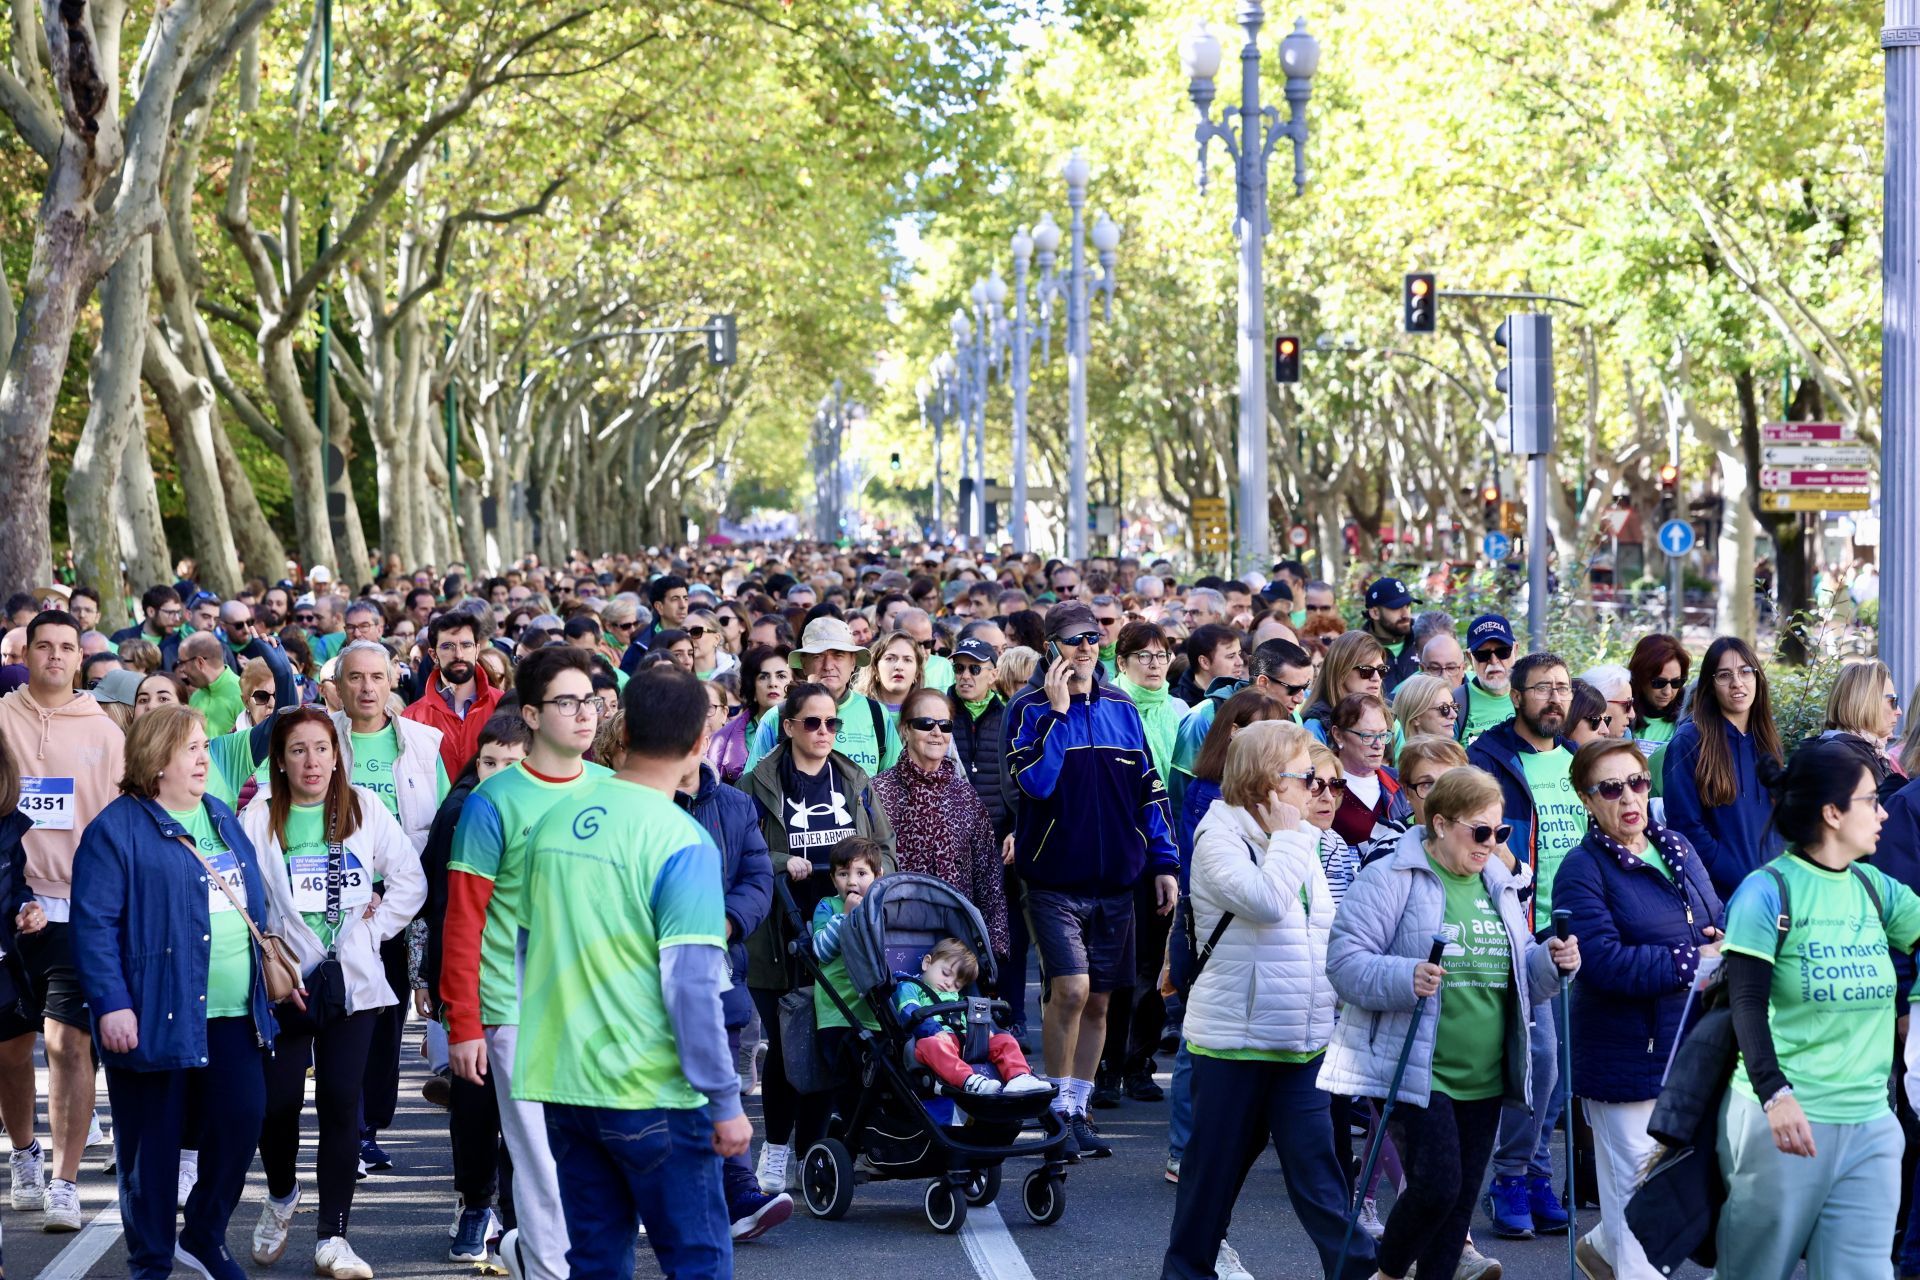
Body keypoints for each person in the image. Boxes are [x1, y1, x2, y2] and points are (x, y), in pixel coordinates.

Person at [503, 663, 746, 1275]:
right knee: (698, 1261)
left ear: (624, 727)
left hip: (562, 1078)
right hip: (650, 1089)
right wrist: (724, 1098)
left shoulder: (556, 820)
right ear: (699, 744)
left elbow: (528, 945)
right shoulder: (682, 840)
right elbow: (691, 987)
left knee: (594, 1261)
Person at [1319, 766, 1579, 1280]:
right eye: (1479, 831)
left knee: (1458, 1202)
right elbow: (1343, 963)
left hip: (1483, 1073)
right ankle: (1388, 1272)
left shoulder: (1497, 884)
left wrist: (1552, 962)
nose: (1490, 843)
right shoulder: (1392, 876)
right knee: (1437, 1186)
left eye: (1500, 833)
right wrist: (1405, 974)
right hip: (1416, 1067)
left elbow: (1524, 972)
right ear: (1439, 824)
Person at [70, 706, 275, 1280]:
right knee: (150, 1152)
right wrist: (112, 1003)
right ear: (156, 761)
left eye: (205, 747)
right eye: (191, 749)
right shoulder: (116, 829)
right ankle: (152, 1262)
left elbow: (250, 903)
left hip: (235, 1012)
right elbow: (93, 925)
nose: (205, 758)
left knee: (243, 1120)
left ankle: (205, 1234)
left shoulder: (220, 816)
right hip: (154, 1012)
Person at [1164, 720, 1374, 1280]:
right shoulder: (1219, 836)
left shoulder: (1295, 838)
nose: (1318, 790)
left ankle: (1357, 1270)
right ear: (1267, 781)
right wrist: (1291, 837)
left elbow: (1323, 931)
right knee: (1211, 1178)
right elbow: (1266, 902)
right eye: (1306, 777)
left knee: (1321, 1176)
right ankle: (1186, 1273)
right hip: (1233, 1043)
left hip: (1300, 1042)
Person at [1723, 739, 1920, 1277]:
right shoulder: (1766, 892)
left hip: (1871, 1126)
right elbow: (1745, 1004)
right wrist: (1775, 1095)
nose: (1883, 812)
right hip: (1783, 1125)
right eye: (1871, 801)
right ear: (1832, 813)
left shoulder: (1874, 888)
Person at [443, 647, 610, 1280]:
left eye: (590, 699)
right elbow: (465, 920)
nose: (583, 714)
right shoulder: (493, 802)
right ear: (533, 715)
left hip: (600, 1007)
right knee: (539, 1159)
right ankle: (545, 1267)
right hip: (516, 1007)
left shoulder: (613, 790)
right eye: (566, 702)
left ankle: (528, 1252)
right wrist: (464, 1025)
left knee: (589, 1157)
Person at [242, 707, 425, 1278]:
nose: (312, 761)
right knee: (277, 1107)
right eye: (298, 750)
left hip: (353, 983)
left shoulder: (364, 810)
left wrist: (370, 931)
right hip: (288, 985)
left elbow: (408, 880)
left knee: (342, 1103)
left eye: (322, 748)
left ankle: (333, 1238)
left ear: (337, 753)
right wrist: (269, 944)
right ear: (280, 759)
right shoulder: (258, 817)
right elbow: (241, 894)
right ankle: (280, 1196)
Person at [1006, 601, 1178, 1160]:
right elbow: (1033, 785)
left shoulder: (1122, 707)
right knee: (1071, 990)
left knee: (1101, 1002)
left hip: (1117, 882)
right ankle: (1055, 1106)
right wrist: (1058, 714)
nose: (1087, 648)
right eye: (1076, 639)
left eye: (1095, 639)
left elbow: (1149, 791)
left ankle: (1077, 1108)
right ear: (1051, 647)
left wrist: (1164, 863)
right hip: (1054, 879)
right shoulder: (1027, 708)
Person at [1552, 738, 1724, 1280]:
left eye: (1637, 782)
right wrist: (1689, 957)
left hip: (1688, 1049)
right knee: (1641, 1207)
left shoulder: (1675, 845)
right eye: (1610, 787)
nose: (1629, 797)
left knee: (1670, 1192)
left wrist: (1714, 940)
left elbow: (1711, 918)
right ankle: (1619, 1256)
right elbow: (1602, 963)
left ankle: (1603, 1249)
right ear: (1586, 799)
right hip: (1625, 1058)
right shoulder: (1581, 870)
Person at [738, 683, 894, 1193]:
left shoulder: (854, 778)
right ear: (788, 726)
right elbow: (740, 854)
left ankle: (812, 1155)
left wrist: (860, 879)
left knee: (830, 1043)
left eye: (832, 723)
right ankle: (777, 1150)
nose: (824, 732)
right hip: (778, 937)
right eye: (812, 722)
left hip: (843, 934)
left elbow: (886, 854)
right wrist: (787, 863)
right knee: (788, 1048)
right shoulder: (755, 784)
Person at [0, 610, 126, 1228]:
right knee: (10, 1051)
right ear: (24, 652)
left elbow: (118, 824)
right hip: (7, 908)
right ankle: (23, 1153)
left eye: (66, 648)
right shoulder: (1, 718)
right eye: (43, 646)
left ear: (80, 658)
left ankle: (64, 1180)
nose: (54, 656)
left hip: (77, 908)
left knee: (70, 1047)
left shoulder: (104, 730)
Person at [1464, 650, 1582, 1238]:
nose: (1555, 698)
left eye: (1563, 688)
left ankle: (1534, 1171)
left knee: (1562, 1072)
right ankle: (1510, 1175)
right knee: (1540, 1058)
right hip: (1520, 926)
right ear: (1516, 697)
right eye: (1542, 689)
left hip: (1581, 932)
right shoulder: (1489, 758)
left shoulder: (1582, 762)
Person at [669, 728, 788, 1242]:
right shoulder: (635, 803)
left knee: (717, 1085)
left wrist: (729, 921)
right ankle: (692, 1199)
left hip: (720, 970)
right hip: (650, 974)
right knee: (674, 1091)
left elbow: (758, 879)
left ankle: (739, 1194)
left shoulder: (737, 805)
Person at [419, 714, 527, 1268]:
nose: (499, 774)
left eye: (512, 763)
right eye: (489, 763)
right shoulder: (460, 813)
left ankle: (518, 1214)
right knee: (475, 1102)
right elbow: (437, 909)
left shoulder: (548, 811)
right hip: (470, 984)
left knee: (527, 1109)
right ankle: (476, 1204)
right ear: (474, 763)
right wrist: (430, 984)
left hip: (533, 985)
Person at [871, 687, 1009, 957]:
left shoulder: (965, 795)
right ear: (905, 730)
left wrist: (995, 948)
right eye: (925, 723)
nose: (937, 732)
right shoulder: (878, 791)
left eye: (945, 725)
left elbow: (989, 878)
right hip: (895, 936)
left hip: (956, 942)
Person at [1662, 636, 1784, 901]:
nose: (1737, 683)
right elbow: (1685, 827)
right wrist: (1730, 869)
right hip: (1719, 900)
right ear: (1710, 684)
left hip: (1772, 893)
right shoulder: (1689, 742)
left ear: (1757, 678)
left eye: (1745, 672)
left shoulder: (1768, 741)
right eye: (1724, 675)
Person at [947, 636, 1027, 1038]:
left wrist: (1015, 828)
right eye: (959, 668)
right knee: (954, 929)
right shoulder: (940, 714)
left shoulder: (1010, 713)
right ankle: (959, 1013)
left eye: (974, 668)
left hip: (1000, 842)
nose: (965, 676)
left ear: (994, 674)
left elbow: (1019, 779)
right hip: (952, 844)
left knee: (1008, 930)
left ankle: (1011, 1014)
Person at [744, 618, 902, 776]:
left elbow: (895, 783)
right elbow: (752, 787)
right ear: (803, 663)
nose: (828, 665)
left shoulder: (877, 714)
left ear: (853, 662)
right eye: (818, 656)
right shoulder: (776, 718)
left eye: (838, 655)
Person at [893, 939, 1049, 1095]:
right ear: (927, 963)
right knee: (931, 1045)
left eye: (957, 984)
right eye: (946, 974)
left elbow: (968, 1016)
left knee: (1005, 1039)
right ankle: (968, 1080)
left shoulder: (957, 996)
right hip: (935, 1040)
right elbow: (910, 1011)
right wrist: (935, 1031)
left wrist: (982, 1030)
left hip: (967, 1040)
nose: (949, 984)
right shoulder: (909, 987)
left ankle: (1019, 1076)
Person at [402, 612, 503, 779]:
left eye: (466, 645)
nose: (459, 655)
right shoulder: (412, 717)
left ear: (477, 650)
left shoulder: (502, 705)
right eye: (448, 646)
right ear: (433, 655)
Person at [1113, 621, 1189, 794]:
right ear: (1122, 663)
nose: (1155, 664)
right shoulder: (1106, 707)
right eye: (1144, 656)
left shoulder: (1178, 708)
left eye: (1161, 655)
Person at [1328, 693, 1412, 850]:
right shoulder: (1321, 786)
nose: (1378, 744)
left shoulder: (1401, 781)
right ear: (1338, 735)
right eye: (1367, 736)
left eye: (1383, 735)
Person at [1819, 659, 1903, 796]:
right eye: (1892, 701)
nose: (1899, 711)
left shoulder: (1863, 751)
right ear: (1866, 702)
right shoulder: (1839, 757)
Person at [1302, 632, 1389, 745]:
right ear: (1341, 672)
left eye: (1381, 670)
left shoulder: (1391, 721)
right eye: (1366, 670)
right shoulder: (1316, 726)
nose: (1376, 678)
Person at [1456, 615, 1518, 744]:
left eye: (1503, 652)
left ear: (1515, 650)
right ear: (1469, 657)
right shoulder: (1456, 703)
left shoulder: (1533, 695)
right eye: (1482, 655)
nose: (1493, 661)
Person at [1626, 633, 1690, 755]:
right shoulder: (1621, 715)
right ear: (1640, 678)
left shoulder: (1691, 717)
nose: (1667, 691)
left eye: (1676, 682)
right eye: (1658, 683)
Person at [1360, 577, 1421, 695]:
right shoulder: (1358, 650)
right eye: (1396, 607)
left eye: (1407, 606)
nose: (1405, 614)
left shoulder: (1423, 640)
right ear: (1375, 613)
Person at [859, 630, 924, 715]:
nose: (899, 667)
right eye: (889, 658)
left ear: (917, 672)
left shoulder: (926, 713)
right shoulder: (859, 709)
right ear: (875, 668)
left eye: (907, 660)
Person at [1391, 673, 1459, 747]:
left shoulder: (1454, 755)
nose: (1454, 715)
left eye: (1454, 706)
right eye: (1444, 708)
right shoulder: (1397, 757)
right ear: (1416, 717)